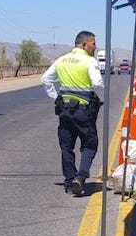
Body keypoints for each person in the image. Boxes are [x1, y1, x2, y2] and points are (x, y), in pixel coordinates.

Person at [41, 30, 105, 197]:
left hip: (65, 111)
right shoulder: (89, 61)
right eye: (93, 43)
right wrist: (100, 100)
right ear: (84, 44)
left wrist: (56, 98)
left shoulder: (61, 60)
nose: (95, 47)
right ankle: (80, 177)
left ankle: (69, 182)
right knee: (89, 145)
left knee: (66, 146)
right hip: (83, 112)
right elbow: (98, 83)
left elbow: (45, 79)